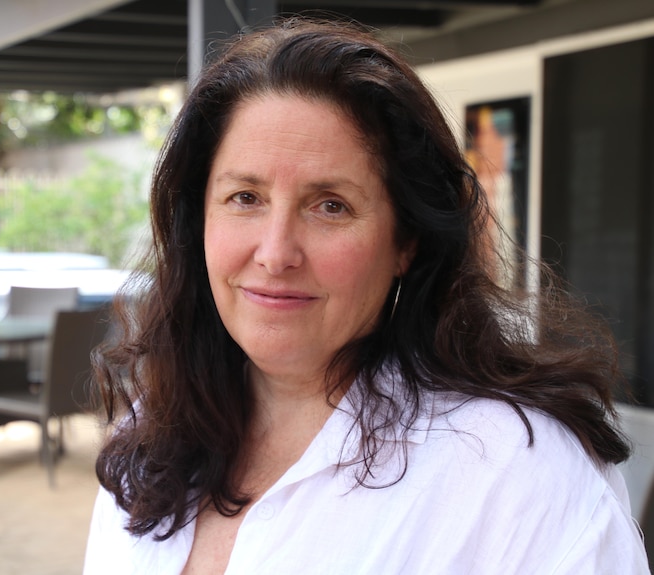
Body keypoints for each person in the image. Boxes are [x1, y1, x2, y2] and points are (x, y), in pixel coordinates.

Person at [83, 16, 649, 574]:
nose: (276, 252)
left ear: (407, 240)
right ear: (196, 221)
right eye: (245, 197)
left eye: (331, 204)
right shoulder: (149, 438)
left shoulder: (518, 474)